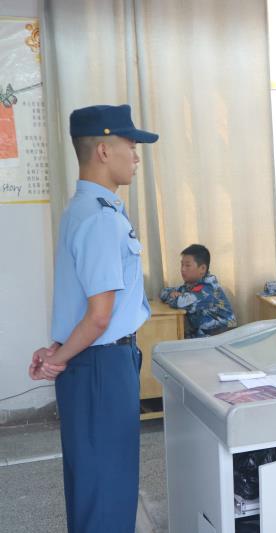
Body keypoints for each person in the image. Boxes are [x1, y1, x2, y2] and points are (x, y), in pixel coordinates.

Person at [28, 104, 158, 533]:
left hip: (92, 363)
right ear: (103, 150)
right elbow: (100, 317)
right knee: (106, 490)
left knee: (94, 485)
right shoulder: (101, 218)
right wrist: (58, 358)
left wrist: (58, 350)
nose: (135, 157)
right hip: (102, 366)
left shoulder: (85, 209)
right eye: (130, 146)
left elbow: (79, 302)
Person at [160, 244, 237, 338]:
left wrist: (175, 297)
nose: (182, 269)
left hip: (221, 339)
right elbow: (163, 292)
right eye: (182, 265)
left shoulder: (208, 289)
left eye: (187, 265)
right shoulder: (191, 285)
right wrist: (172, 294)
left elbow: (180, 302)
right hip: (203, 338)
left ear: (202, 269)